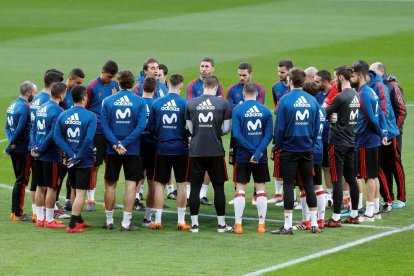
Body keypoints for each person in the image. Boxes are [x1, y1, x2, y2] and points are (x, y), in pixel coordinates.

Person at [271, 68, 321, 235]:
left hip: (289, 149)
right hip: (307, 148)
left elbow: (280, 128)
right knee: (308, 184)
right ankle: (314, 223)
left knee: (289, 185)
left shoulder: (285, 100)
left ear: (291, 81)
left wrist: (277, 145)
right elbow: (316, 127)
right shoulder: (312, 100)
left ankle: (287, 226)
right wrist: (311, 143)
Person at [101, 70, 147, 231]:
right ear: (133, 84)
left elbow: (104, 125)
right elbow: (141, 126)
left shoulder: (108, 101)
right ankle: (126, 223)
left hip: (112, 150)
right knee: (130, 186)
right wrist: (125, 143)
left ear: (118, 83)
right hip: (132, 149)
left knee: (110, 185)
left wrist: (115, 144)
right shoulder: (140, 102)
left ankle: (109, 221)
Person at [185, 75, 232, 233]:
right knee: (218, 187)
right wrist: (214, 132)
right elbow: (226, 129)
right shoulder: (223, 103)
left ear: (203, 86)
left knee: (195, 187)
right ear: (217, 87)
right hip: (215, 150)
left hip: (196, 150)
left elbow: (191, 129)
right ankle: (221, 225)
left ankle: (195, 225)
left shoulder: (191, 103)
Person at [149, 74, 191, 231]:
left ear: (167, 85)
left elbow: (151, 127)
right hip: (181, 148)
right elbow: (190, 129)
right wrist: (183, 134)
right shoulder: (185, 104)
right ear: (181, 86)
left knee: (159, 184)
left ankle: (157, 220)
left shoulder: (157, 103)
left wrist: (161, 135)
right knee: (181, 184)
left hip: (162, 148)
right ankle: (181, 221)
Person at [230, 82, 273, 234]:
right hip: (260, 156)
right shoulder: (266, 111)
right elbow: (269, 135)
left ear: (243, 94)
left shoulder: (238, 110)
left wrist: (250, 151)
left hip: (243, 155)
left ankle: (238, 225)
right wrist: (258, 151)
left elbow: (236, 134)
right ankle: (261, 225)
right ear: (258, 94)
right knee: (260, 188)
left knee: (241, 188)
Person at [54, 85, 97, 233]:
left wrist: (70, 153)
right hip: (84, 159)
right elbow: (88, 140)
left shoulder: (63, 115)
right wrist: (78, 155)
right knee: (80, 192)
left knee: (73, 188)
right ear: (85, 97)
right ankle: (72, 225)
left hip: (69, 159)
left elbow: (57, 137)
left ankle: (78, 219)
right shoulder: (91, 116)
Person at [350, 63, 388, 223]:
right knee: (374, 175)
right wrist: (383, 133)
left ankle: (369, 213)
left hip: (366, 140)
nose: (350, 79)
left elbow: (371, 118)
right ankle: (376, 210)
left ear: (359, 76)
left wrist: (380, 132)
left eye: (352, 76)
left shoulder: (363, 93)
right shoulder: (371, 91)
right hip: (373, 140)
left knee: (368, 177)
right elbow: (380, 115)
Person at [324, 66, 361, 227]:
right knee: (351, 178)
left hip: (337, 142)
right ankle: (354, 214)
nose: (333, 81)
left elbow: (325, 112)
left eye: (334, 78)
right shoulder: (355, 94)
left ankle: (336, 218)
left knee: (337, 178)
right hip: (351, 141)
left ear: (340, 78)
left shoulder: (341, 97)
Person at [226, 62, 265, 205]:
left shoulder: (259, 88)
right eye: (239, 75)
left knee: (257, 162)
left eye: (244, 75)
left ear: (250, 74)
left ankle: (256, 195)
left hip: (255, 133)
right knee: (236, 162)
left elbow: (258, 106)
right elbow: (228, 108)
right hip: (237, 134)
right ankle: (238, 193)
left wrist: (240, 108)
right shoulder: (231, 89)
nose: (241, 77)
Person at [186, 57, 224, 205]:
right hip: (196, 130)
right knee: (195, 165)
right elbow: (189, 107)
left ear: (212, 68)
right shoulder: (192, 85)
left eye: (207, 66)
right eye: (201, 66)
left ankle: (203, 193)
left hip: (210, 129)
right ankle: (191, 195)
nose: (203, 69)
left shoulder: (217, 86)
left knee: (208, 164)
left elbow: (219, 108)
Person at [370, 62, 406, 209]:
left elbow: (402, 111)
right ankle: (388, 197)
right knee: (383, 165)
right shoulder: (376, 86)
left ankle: (402, 198)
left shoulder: (392, 86)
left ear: (382, 71)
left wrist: (393, 130)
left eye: (373, 72)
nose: (370, 75)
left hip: (392, 133)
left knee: (394, 162)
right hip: (382, 133)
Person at [31, 82, 67, 228]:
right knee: (52, 187)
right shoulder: (58, 111)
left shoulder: (41, 108)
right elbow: (53, 134)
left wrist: (34, 147)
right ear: (61, 95)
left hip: (37, 154)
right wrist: (41, 149)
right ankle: (50, 220)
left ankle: (40, 218)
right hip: (50, 155)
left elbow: (33, 129)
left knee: (40, 186)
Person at [85, 60, 119, 211]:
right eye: (108, 76)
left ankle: (108, 199)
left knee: (111, 166)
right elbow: (85, 108)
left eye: (112, 77)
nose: (110, 79)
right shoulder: (92, 86)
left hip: (110, 133)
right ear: (102, 71)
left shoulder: (115, 85)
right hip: (97, 133)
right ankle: (90, 200)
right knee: (95, 165)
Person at [5, 81, 36, 221]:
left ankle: (14, 212)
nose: (34, 95)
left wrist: (10, 143)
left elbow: (7, 127)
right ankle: (17, 213)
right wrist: (11, 144)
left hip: (15, 148)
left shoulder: (12, 104)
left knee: (19, 179)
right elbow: (21, 128)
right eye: (34, 93)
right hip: (22, 148)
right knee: (22, 180)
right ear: (28, 93)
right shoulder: (24, 107)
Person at [58, 68, 85, 213]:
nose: (79, 85)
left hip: (75, 140)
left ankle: (69, 200)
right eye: (77, 82)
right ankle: (55, 202)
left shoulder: (75, 94)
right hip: (64, 141)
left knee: (72, 172)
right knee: (60, 173)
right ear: (70, 78)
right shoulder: (61, 91)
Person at [270, 59, 294, 206]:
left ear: (290, 71)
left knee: (292, 162)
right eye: (278, 71)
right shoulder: (276, 87)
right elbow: (277, 107)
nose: (280, 74)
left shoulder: (298, 85)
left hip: (293, 130)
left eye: (283, 72)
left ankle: (293, 196)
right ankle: (279, 194)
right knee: (278, 158)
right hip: (280, 128)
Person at [313, 70, 335, 203]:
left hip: (333, 136)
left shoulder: (335, 94)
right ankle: (330, 195)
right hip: (321, 138)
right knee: (325, 167)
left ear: (325, 82)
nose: (314, 84)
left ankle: (345, 196)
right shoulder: (317, 95)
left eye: (317, 82)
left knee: (337, 169)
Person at [139, 77, 157, 224]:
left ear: (141, 88)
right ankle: (147, 218)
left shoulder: (135, 103)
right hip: (153, 147)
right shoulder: (157, 105)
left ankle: (127, 217)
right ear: (155, 90)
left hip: (136, 147)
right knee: (153, 184)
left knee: (132, 182)